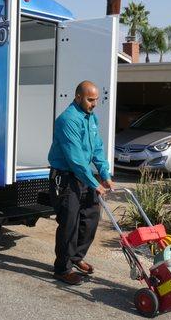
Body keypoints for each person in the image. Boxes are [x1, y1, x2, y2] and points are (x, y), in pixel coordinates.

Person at [47, 80, 114, 285]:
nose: (94, 104)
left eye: (95, 100)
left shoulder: (90, 118)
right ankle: (62, 268)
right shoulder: (67, 120)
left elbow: (97, 149)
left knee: (91, 217)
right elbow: (75, 159)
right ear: (78, 97)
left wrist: (105, 174)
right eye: (90, 99)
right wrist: (95, 184)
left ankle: (76, 257)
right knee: (69, 224)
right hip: (66, 178)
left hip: (84, 177)